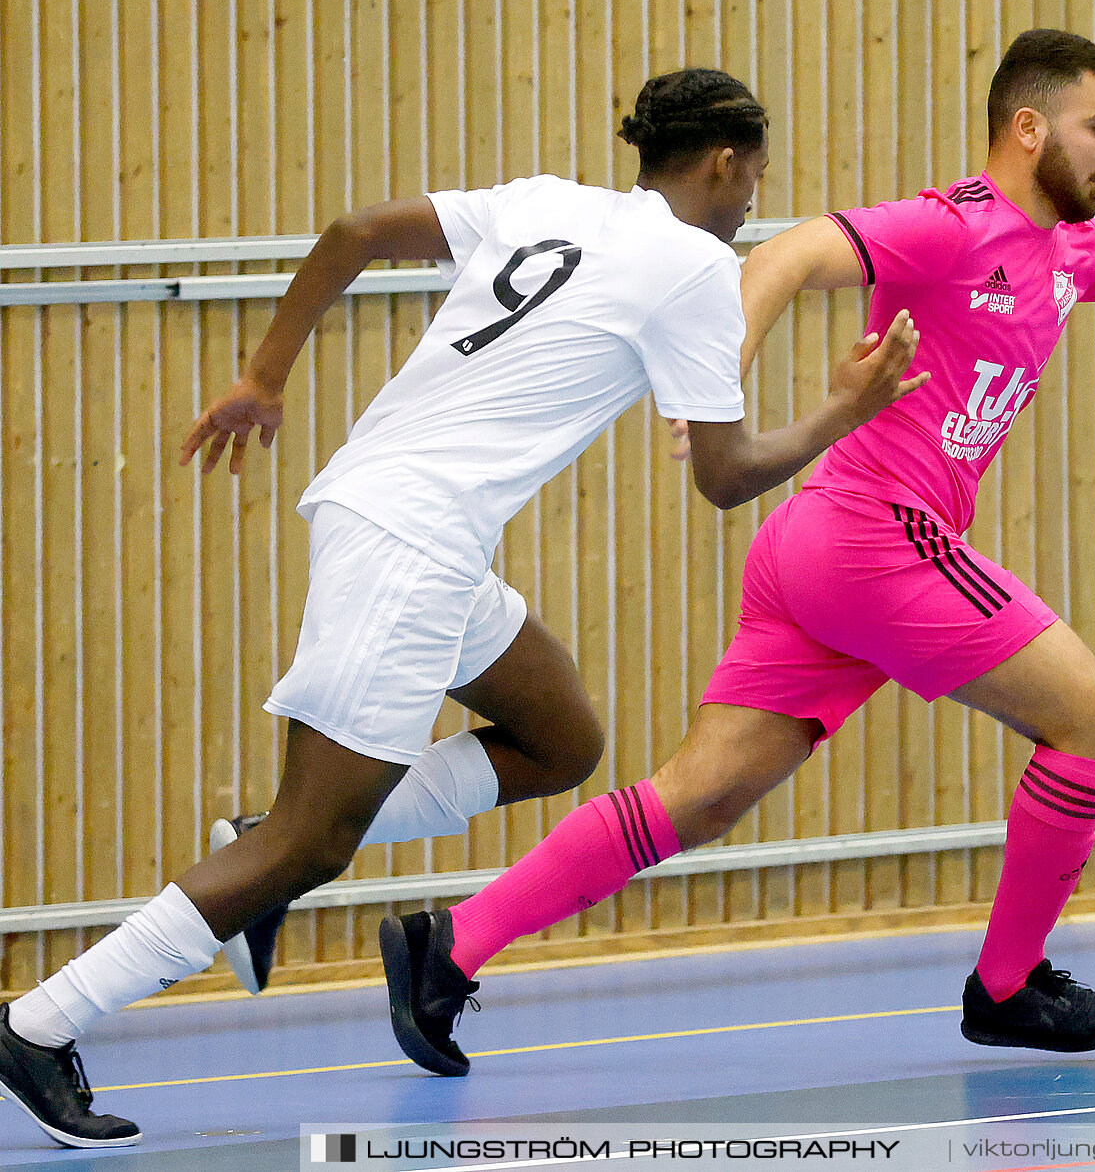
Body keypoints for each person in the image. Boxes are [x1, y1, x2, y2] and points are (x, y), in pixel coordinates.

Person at [377, 29, 1095, 1075]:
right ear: (1031, 129)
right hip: (873, 535)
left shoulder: (1078, 251)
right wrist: (722, 369)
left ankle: (450, 946)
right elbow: (796, 251)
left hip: (821, 551)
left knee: (698, 797)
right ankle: (1007, 988)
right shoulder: (956, 224)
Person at [0, 68, 923, 1150]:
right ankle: (38, 1023)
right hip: (413, 545)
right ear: (723, 161)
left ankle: (253, 843)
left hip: (392, 513)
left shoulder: (545, 200)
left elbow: (350, 231)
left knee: (559, 737)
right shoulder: (693, 267)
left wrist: (264, 377)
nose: (753, 202)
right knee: (313, 841)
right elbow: (724, 477)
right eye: (755, 180)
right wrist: (841, 412)